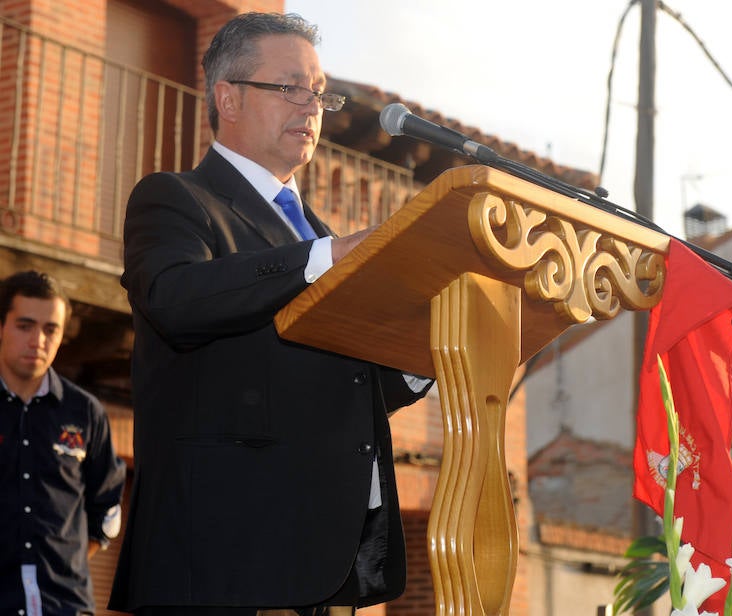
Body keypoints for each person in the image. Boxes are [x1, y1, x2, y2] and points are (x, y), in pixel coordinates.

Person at [108, 12, 431, 616]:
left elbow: (345, 382)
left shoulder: (316, 234)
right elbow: (174, 299)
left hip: (316, 558)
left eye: (319, 93)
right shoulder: (176, 199)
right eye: (290, 88)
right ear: (227, 98)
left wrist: (428, 351)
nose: (311, 107)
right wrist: (324, 257)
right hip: (219, 558)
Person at [0, 269, 126, 616]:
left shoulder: (86, 412)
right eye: (25, 325)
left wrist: (65, 561)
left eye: (50, 329)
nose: (38, 340)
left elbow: (107, 509)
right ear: (2, 326)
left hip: (66, 605)